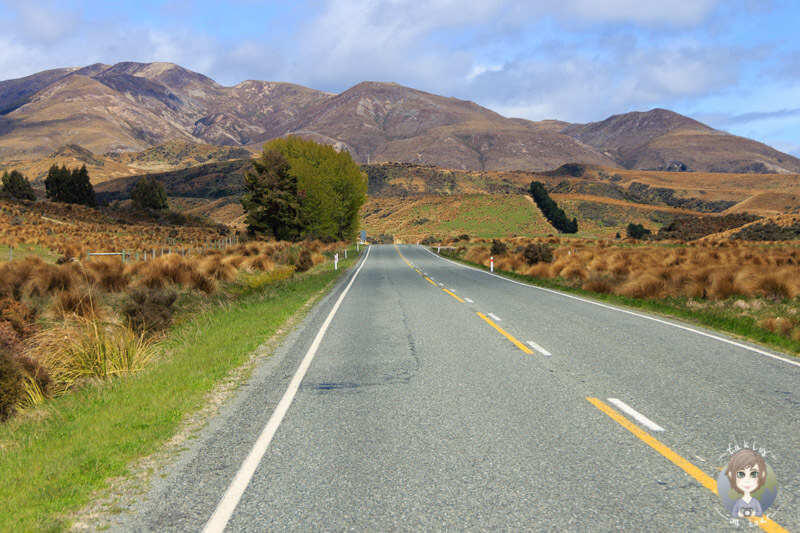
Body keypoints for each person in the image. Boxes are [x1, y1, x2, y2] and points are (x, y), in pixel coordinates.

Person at [725, 449, 766, 518]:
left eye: (754, 474)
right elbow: (734, 513)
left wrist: (753, 513)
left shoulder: (755, 502)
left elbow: (759, 513)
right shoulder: (739, 502)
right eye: (741, 474)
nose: (747, 480)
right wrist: (739, 514)